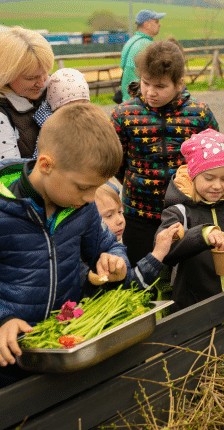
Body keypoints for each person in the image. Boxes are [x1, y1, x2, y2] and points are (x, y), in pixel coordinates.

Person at [0, 103, 131, 386]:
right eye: (84, 187)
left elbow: (110, 247)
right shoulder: (3, 211)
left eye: (97, 188)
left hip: (63, 345)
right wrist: (3, 320)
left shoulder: (80, 208)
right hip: (9, 360)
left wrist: (117, 263)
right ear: (46, 165)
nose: (90, 198)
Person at [111, 40, 219, 267]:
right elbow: (115, 162)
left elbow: (213, 162)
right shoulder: (123, 114)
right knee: (140, 283)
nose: (150, 92)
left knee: (184, 281)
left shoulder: (200, 114)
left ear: (179, 83)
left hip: (186, 214)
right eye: (145, 83)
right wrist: (135, 183)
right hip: (138, 214)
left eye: (160, 86)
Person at [155, 129, 224, 313]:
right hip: (192, 312)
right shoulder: (178, 213)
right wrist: (202, 235)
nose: (217, 186)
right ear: (193, 175)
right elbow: (164, 252)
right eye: (209, 178)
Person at [85, 180, 181, 298]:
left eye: (120, 212)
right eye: (109, 215)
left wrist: (158, 253)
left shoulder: (115, 249)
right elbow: (132, 289)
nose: (120, 220)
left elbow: (131, 285)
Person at [0, 26, 54, 160]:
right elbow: (10, 175)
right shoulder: (2, 115)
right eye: (31, 78)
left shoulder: (54, 91)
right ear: (6, 75)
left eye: (45, 73)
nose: (42, 83)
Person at [32, 68, 90, 158]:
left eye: (83, 104)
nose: (78, 111)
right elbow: (40, 157)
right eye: (70, 107)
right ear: (56, 109)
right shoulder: (50, 129)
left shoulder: (91, 121)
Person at [120, 9, 165, 102]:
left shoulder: (131, 41)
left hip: (127, 99)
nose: (159, 24)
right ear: (147, 25)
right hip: (141, 101)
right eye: (156, 22)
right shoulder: (148, 45)